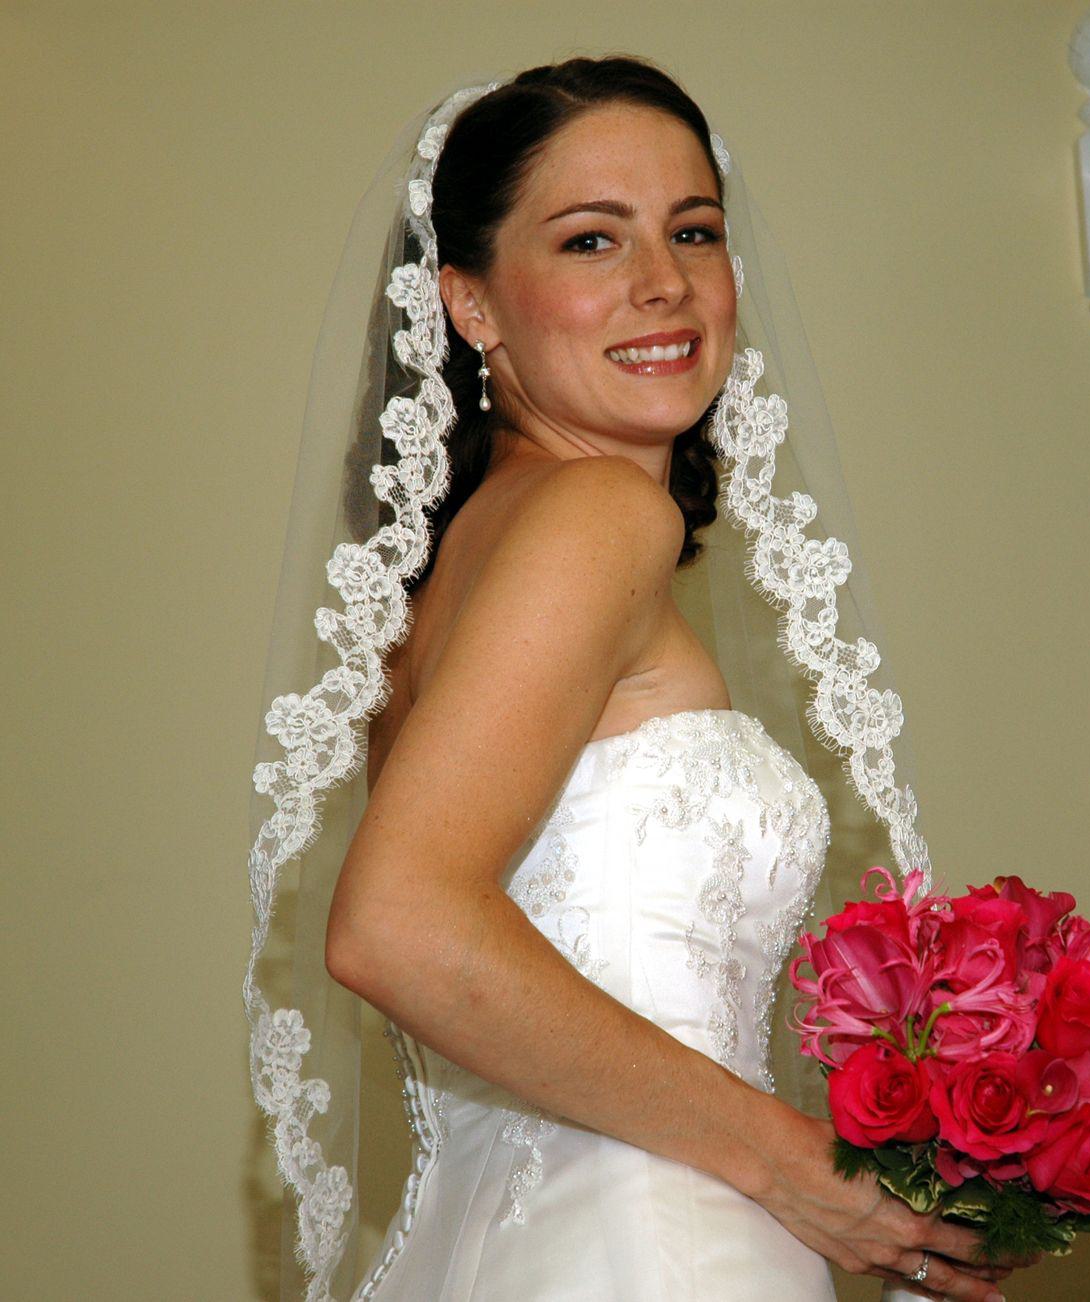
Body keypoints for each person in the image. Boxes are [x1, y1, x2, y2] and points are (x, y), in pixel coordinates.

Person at [242, 55, 1038, 1301]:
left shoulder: (460, 562)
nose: (663, 281)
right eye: (591, 240)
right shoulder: (598, 516)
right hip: (655, 1244)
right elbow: (395, 925)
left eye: (694, 230)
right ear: (471, 304)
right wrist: (789, 1164)